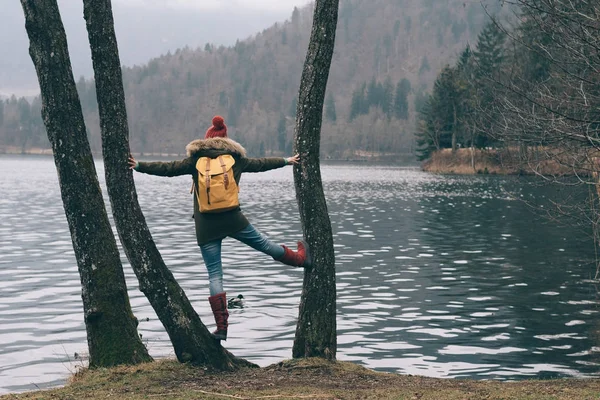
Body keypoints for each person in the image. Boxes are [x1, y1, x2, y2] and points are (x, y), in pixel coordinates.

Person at [128, 115, 310, 341]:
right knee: (265, 244)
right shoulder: (235, 158)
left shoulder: (195, 160)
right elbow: (262, 164)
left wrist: (139, 166)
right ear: (226, 139)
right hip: (233, 218)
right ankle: (300, 260)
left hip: (206, 225)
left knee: (215, 275)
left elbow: (168, 168)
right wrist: (286, 160)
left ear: (206, 139)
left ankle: (222, 327)